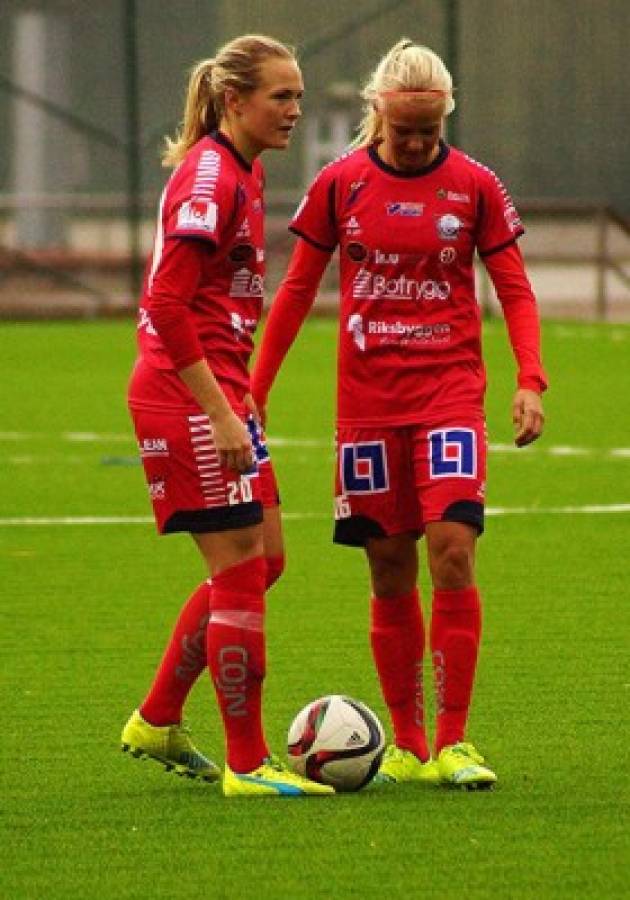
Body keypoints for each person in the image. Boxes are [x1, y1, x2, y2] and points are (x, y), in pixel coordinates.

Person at [251, 38, 547, 789]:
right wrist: (255, 388)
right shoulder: (339, 185)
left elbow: (513, 286)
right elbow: (294, 292)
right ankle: (409, 744)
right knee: (388, 568)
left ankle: (454, 741)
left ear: (445, 117)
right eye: (403, 130)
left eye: (429, 131)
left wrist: (530, 380)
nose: (415, 145)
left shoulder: (475, 185)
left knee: (452, 545)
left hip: (449, 392)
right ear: (378, 112)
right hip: (368, 408)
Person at [121, 35, 333, 798]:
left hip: (222, 391)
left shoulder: (246, 166)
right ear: (234, 101)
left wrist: (237, 400)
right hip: (189, 396)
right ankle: (248, 765)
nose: (295, 111)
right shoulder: (211, 175)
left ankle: (157, 717)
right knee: (241, 566)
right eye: (281, 96)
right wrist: (219, 413)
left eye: (299, 96)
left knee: (265, 557)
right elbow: (166, 303)